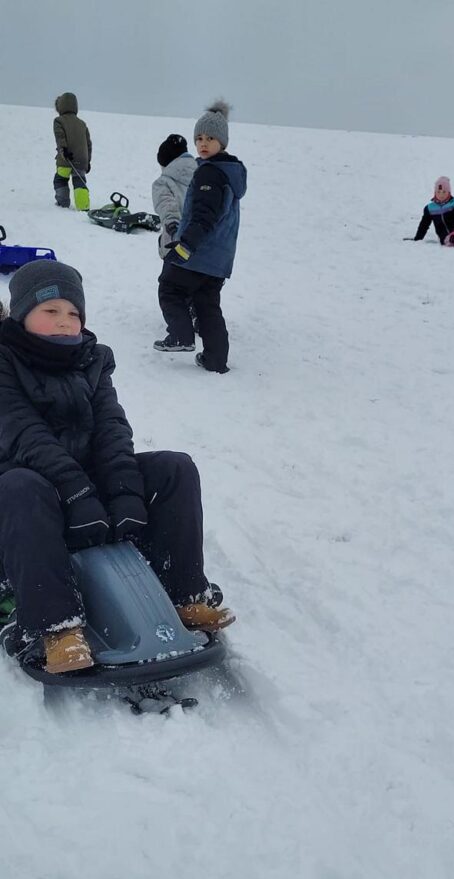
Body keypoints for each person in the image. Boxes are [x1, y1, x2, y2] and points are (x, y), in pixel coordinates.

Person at [0, 261, 234, 675]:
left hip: (85, 484)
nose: (64, 321)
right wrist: (77, 493)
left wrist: (124, 492)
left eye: (73, 312)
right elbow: (24, 435)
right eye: (50, 310)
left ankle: (184, 593)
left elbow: (111, 429)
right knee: (19, 486)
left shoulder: (92, 359)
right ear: (21, 316)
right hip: (29, 488)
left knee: (175, 468)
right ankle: (55, 627)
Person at [154, 100, 247, 374]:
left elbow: (204, 216)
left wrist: (185, 246)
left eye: (210, 139)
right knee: (207, 305)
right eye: (199, 139)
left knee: (169, 287)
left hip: (199, 253)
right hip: (219, 259)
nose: (203, 144)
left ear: (222, 142)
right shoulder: (229, 172)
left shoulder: (210, 173)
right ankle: (216, 359)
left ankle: (181, 336)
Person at [152, 134, 197, 259]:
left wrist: (173, 232)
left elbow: (168, 209)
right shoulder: (202, 176)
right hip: (200, 247)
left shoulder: (162, 183)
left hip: (176, 249)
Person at [53, 93, 92, 211]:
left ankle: (63, 203)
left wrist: (63, 150)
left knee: (60, 179)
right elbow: (88, 144)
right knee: (79, 181)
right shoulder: (82, 123)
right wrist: (88, 161)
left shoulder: (59, 121)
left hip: (65, 158)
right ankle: (83, 206)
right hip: (81, 159)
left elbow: (60, 137)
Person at [406, 176, 454, 245]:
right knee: (451, 241)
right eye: (438, 192)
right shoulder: (430, 208)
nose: (441, 195)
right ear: (435, 192)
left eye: (444, 192)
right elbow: (424, 225)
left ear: (449, 192)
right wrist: (417, 238)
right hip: (445, 238)